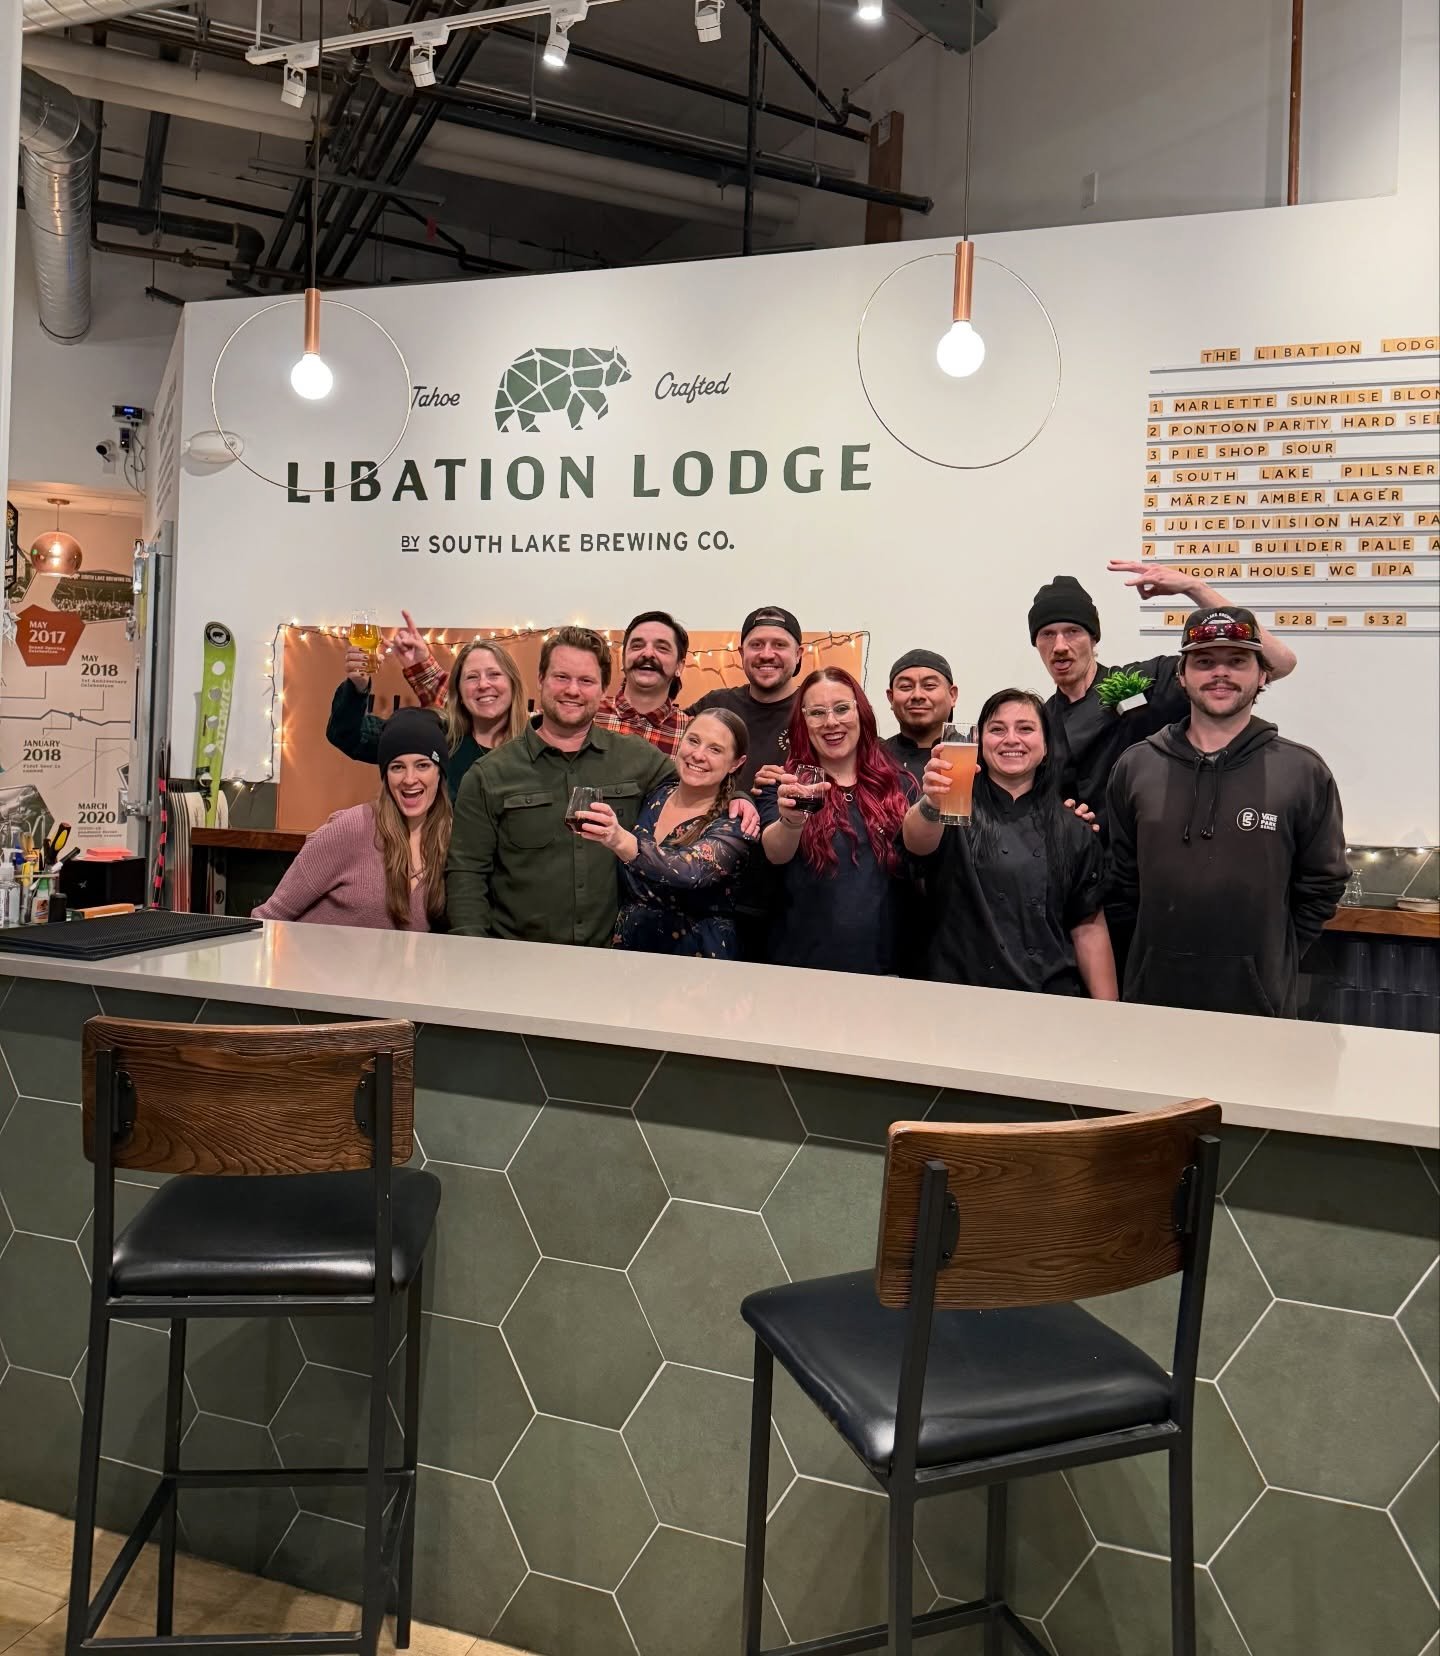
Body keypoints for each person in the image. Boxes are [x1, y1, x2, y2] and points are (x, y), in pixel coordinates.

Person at [1107, 606, 1347, 1018]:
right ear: (1182, 676)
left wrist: (1274, 957)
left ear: (1263, 675)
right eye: (1204, 662)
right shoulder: (1135, 766)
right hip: (1152, 999)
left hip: (1260, 1005)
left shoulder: (1303, 772)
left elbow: (1323, 885)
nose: (1220, 673)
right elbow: (1121, 881)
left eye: (1237, 661)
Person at [1032, 564, 1299, 836]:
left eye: (1073, 631)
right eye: (1047, 634)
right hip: (1089, 858)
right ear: (1036, 643)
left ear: (1093, 638)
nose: (1060, 646)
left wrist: (1196, 588)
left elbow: (1280, 663)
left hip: (1166, 849)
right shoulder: (1039, 722)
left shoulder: (1145, 681)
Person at [903, 689, 1116, 998]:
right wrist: (932, 802)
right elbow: (915, 844)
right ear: (980, 743)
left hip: (1048, 996)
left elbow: (1088, 926)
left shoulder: (1073, 826)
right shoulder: (954, 809)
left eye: (1025, 728)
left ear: (1046, 745)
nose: (1011, 739)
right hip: (958, 993)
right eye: (997, 729)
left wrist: (1108, 1010)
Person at [759, 668, 916, 976]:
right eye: (817, 713)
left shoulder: (899, 784)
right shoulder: (784, 783)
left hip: (885, 972)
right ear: (803, 722)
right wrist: (792, 821)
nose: (831, 722)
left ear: (861, 713)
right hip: (799, 971)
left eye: (842, 708)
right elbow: (775, 852)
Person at [255, 708, 451, 932]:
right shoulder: (353, 827)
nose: (409, 779)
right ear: (386, 776)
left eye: (422, 765)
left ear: (440, 772)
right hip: (305, 954)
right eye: (397, 767)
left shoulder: (452, 843)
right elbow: (268, 917)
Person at [578, 709, 752, 959]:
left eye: (715, 749)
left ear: (736, 763)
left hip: (695, 957)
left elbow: (689, 872)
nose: (698, 754)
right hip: (629, 946)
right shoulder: (657, 793)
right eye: (693, 740)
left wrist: (622, 841)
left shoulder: (735, 822)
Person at [326, 612, 526, 796]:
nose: (483, 684)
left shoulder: (534, 743)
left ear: (513, 684)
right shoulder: (437, 735)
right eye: (472, 677)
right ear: (459, 691)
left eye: (494, 674)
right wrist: (357, 686)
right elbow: (347, 735)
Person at [687, 605, 804, 793]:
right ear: (742, 653)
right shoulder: (715, 705)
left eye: (779, 645)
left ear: (798, 654)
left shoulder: (815, 711)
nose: (766, 654)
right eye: (756, 645)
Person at [595, 610, 691, 754]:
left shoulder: (691, 733)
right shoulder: (590, 714)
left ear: (679, 666)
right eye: (637, 646)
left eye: (662, 648)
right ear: (623, 659)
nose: (648, 654)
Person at [884, 649, 958, 785]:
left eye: (929, 686)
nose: (917, 695)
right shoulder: (872, 758)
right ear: (891, 698)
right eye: (906, 686)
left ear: (952, 695)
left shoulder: (979, 756)